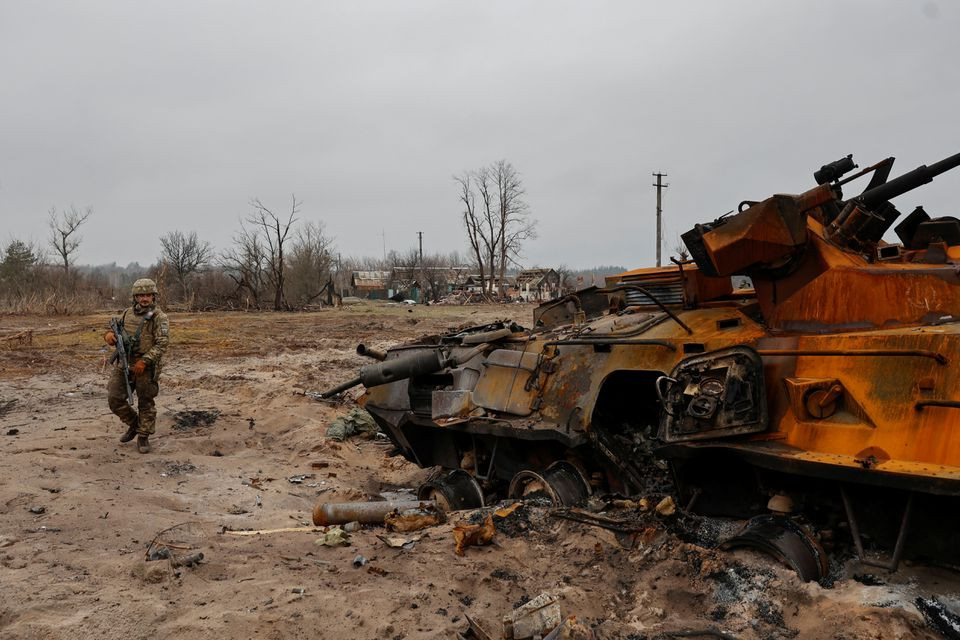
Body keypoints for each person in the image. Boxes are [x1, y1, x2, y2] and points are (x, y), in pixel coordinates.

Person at [104, 278, 170, 453]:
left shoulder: (159, 317)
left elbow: (162, 343)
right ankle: (134, 424)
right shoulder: (127, 313)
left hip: (146, 366)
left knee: (146, 402)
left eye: (148, 295)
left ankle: (143, 437)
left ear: (153, 297)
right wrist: (109, 335)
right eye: (141, 295)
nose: (145, 298)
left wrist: (145, 361)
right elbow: (113, 327)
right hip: (125, 361)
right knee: (114, 398)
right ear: (135, 297)